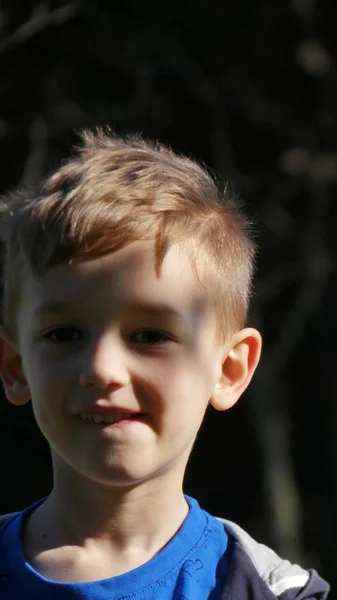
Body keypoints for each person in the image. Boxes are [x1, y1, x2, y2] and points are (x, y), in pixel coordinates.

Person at [0, 129, 329, 599]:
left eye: (150, 336)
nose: (102, 369)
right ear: (15, 365)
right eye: (64, 334)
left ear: (230, 370)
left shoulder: (263, 590)